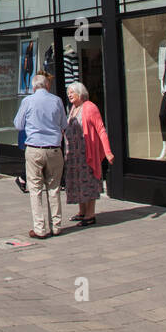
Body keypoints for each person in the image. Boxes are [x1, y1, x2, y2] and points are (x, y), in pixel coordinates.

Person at [13, 73, 67, 239]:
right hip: (54, 149)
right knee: (54, 188)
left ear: (33, 87)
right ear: (47, 86)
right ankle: (56, 226)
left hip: (35, 148)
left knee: (35, 189)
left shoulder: (27, 101)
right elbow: (64, 124)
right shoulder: (57, 101)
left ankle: (39, 228)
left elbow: (18, 124)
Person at [64, 82, 114, 227]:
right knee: (78, 182)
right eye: (68, 93)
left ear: (80, 93)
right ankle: (82, 211)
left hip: (86, 154)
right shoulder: (74, 108)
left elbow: (101, 129)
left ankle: (90, 214)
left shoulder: (90, 107)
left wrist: (108, 151)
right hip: (74, 156)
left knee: (88, 182)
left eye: (72, 92)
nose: (69, 95)